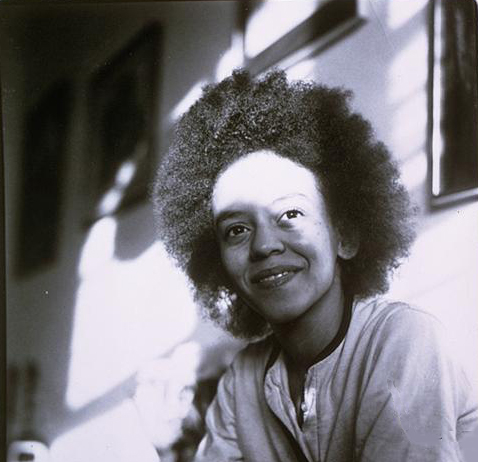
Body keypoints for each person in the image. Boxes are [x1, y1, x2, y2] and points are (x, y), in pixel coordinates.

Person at [153, 70, 478, 461]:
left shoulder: (405, 339)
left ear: (345, 237)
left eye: (291, 214)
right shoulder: (241, 381)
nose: (264, 245)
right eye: (236, 230)